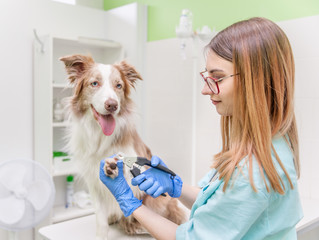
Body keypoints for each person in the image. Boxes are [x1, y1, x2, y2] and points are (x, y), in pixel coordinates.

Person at [99, 17, 303, 240]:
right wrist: (175, 185)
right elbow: (219, 205)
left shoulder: (253, 171)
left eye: (217, 77)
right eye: (207, 76)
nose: (206, 90)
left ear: (256, 81)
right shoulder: (269, 143)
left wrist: (129, 202)